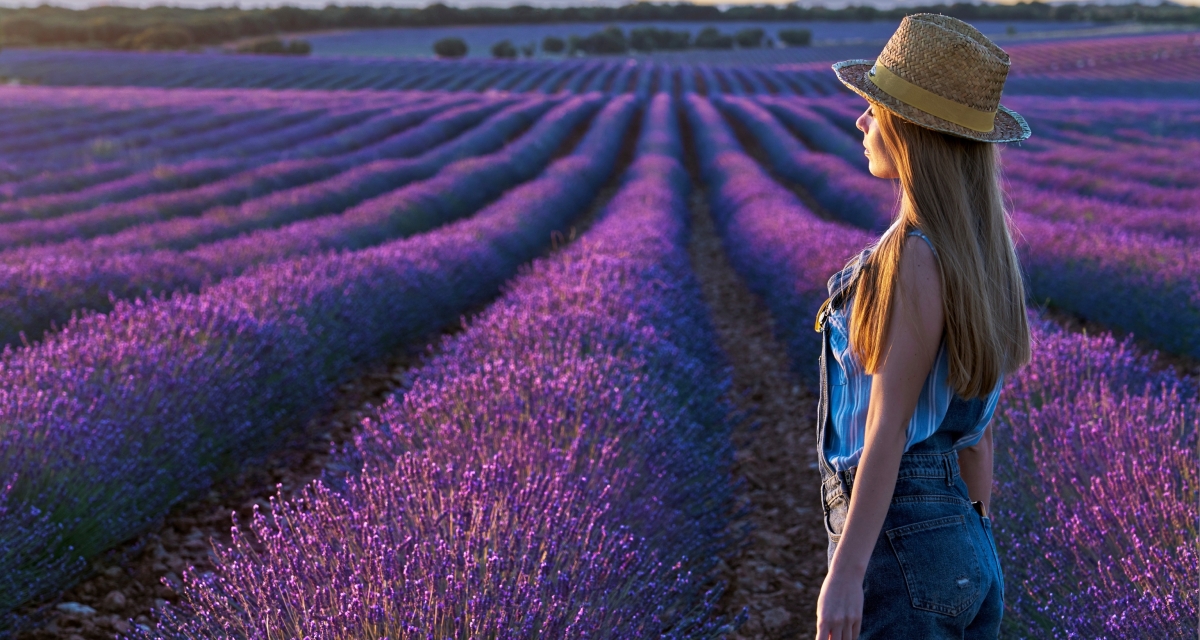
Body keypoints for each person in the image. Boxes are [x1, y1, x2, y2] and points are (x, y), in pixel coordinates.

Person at [813, 14, 1032, 640]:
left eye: (875, 110)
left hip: (896, 541)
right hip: (964, 541)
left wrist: (848, 571)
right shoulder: (980, 255)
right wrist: (970, 545)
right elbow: (975, 435)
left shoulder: (911, 254)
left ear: (910, 132)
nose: (862, 121)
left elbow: (889, 426)